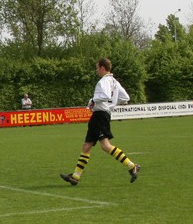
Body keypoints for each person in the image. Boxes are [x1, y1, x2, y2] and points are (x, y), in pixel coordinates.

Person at [60, 58, 140, 187]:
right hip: (100, 115)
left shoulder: (103, 81)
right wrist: (113, 103)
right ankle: (75, 177)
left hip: (100, 115)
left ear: (102, 68)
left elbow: (106, 96)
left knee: (105, 146)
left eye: (97, 68)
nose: (97, 70)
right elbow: (125, 98)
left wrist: (93, 100)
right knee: (86, 146)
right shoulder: (114, 82)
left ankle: (132, 166)